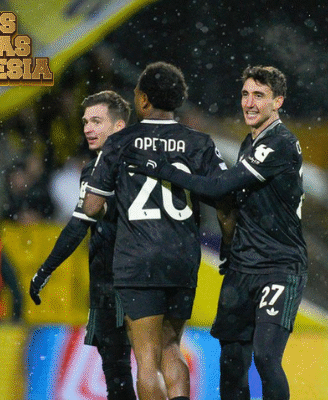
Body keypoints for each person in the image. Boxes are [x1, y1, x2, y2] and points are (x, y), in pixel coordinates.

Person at [123, 65, 308, 400]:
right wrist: (230, 243)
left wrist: (164, 170)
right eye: (245, 94)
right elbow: (230, 198)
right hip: (242, 266)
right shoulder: (250, 142)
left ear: (278, 101)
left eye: (259, 96)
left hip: (279, 266)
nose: (249, 103)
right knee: (232, 360)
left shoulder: (279, 143)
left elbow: (221, 186)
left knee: (266, 356)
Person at [82, 62, 232, 400]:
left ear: (144, 99)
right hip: (182, 258)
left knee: (147, 360)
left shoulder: (120, 143)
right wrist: (230, 243)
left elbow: (91, 206)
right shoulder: (199, 143)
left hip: (137, 259)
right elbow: (225, 198)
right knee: (171, 346)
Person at [29, 90, 136, 400]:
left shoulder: (101, 170)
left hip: (116, 279)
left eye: (97, 121)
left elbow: (78, 226)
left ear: (118, 126)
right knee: (143, 364)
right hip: (138, 277)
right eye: (86, 121)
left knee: (120, 370)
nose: (88, 128)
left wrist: (46, 269)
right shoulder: (147, 164)